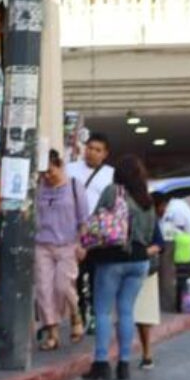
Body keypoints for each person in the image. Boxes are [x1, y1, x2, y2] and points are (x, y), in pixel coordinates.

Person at [83, 155, 156, 380]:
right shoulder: (146, 199)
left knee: (103, 311)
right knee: (126, 311)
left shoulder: (112, 191)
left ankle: (102, 362)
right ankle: (124, 364)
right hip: (140, 260)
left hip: (113, 257)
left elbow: (96, 221)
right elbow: (151, 232)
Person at [34, 149, 87, 350]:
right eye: (43, 173)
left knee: (62, 286)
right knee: (44, 289)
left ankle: (75, 312)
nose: (47, 176)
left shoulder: (74, 186)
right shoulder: (39, 188)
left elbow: (83, 220)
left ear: (60, 165)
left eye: (50, 171)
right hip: (42, 244)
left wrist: (82, 244)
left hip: (68, 244)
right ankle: (52, 333)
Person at [66, 134, 115, 332]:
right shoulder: (71, 169)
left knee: (97, 275)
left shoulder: (111, 174)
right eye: (89, 148)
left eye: (97, 150)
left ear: (105, 154)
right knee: (74, 275)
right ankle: (78, 313)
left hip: (98, 233)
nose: (92, 152)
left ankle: (95, 314)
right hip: (72, 231)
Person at [136, 193, 173, 369]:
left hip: (141, 266)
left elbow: (159, 243)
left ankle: (144, 354)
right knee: (141, 315)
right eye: (163, 205)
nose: (165, 210)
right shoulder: (147, 213)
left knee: (138, 315)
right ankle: (146, 353)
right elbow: (160, 244)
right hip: (144, 267)